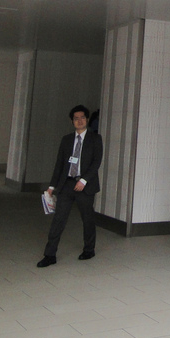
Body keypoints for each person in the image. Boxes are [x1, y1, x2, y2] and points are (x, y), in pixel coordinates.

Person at [37, 105, 103, 267]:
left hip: (85, 186)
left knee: (87, 218)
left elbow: (96, 162)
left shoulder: (95, 139)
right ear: (72, 121)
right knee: (58, 219)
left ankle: (89, 249)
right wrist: (52, 186)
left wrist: (84, 180)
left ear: (87, 120)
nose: (79, 121)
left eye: (82, 117)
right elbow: (59, 164)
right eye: (76, 118)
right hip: (66, 184)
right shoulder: (66, 140)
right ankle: (50, 254)